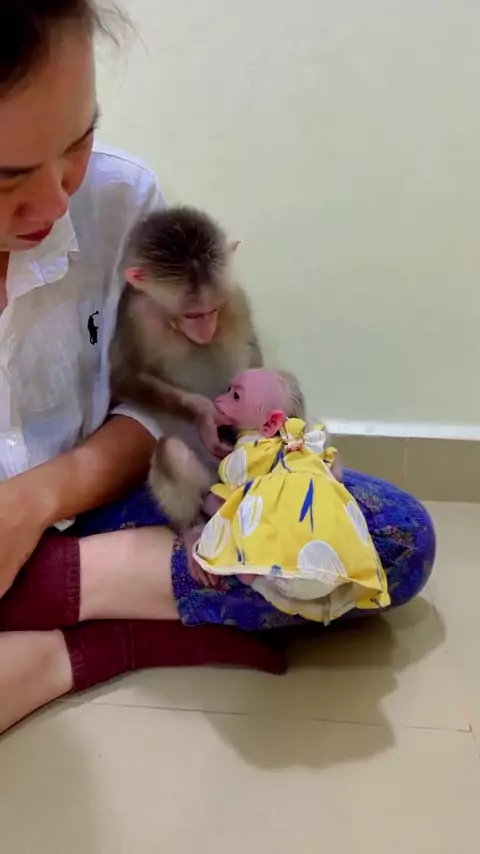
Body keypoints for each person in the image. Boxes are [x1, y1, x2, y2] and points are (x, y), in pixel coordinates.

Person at [0, 1, 436, 734]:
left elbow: (153, 409)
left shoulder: (121, 200)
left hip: (102, 506)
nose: (54, 201)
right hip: (115, 545)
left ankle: (72, 601)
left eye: (79, 142)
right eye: (6, 179)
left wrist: (34, 501)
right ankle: (111, 636)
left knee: (389, 537)